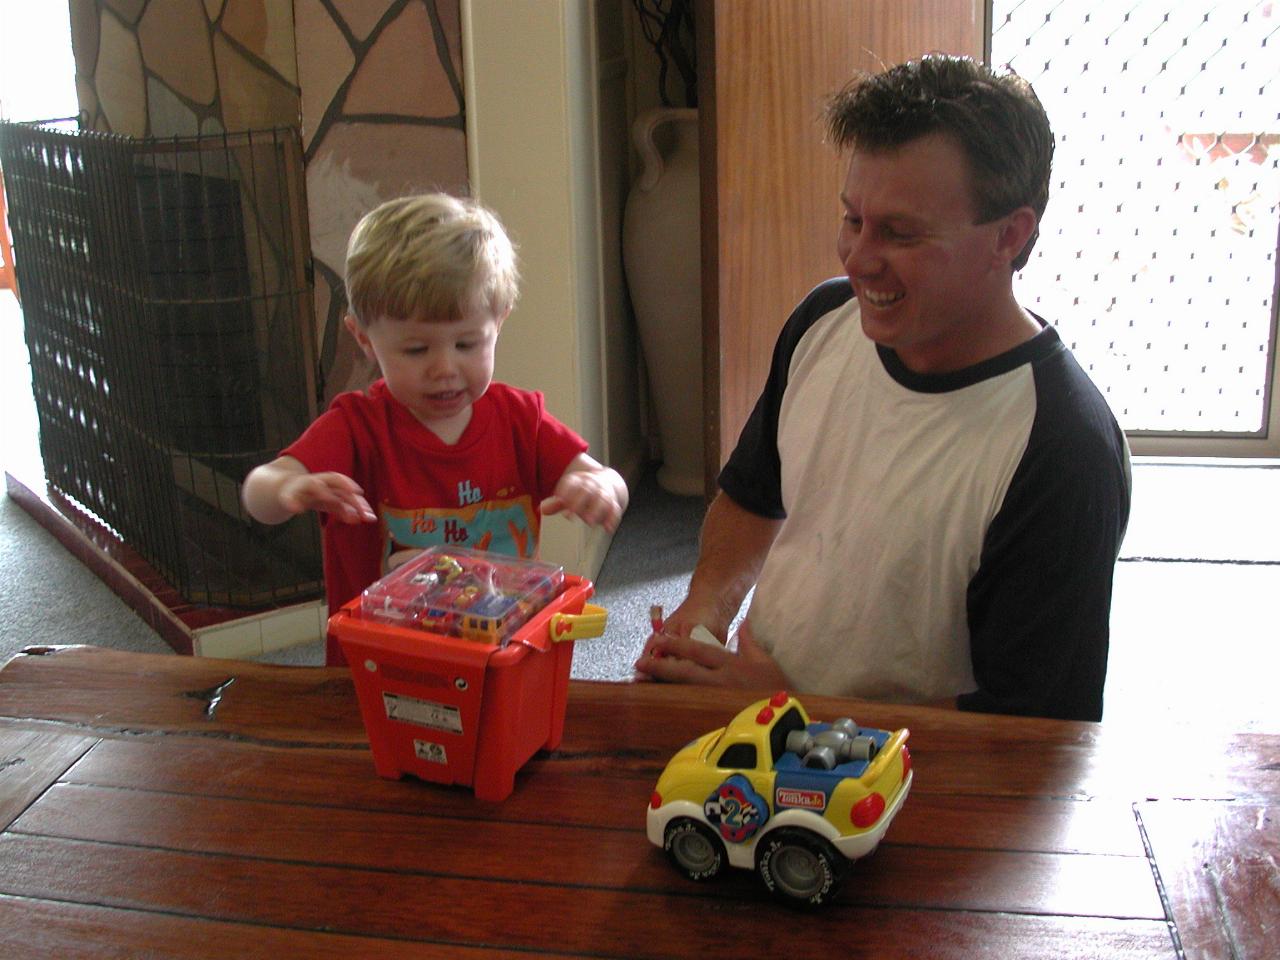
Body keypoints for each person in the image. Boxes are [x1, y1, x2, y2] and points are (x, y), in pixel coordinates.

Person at [635, 55, 1131, 722]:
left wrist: (792, 711)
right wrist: (701, 619)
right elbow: (751, 504)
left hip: (904, 791)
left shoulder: (1063, 449)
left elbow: (1035, 735)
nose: (858, 258)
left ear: (1009, 237)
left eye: (900, 233)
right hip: (755, 714)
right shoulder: (822, 322)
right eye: (852, 219)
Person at [243, 193, 628, 664]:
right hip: (383, 661)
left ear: (499, 323)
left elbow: (605, 477)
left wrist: (598, 485)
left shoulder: (520, 420)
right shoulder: (356, 427)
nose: (444, 368)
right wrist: (289, 488)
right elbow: (259, 493)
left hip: (500, 653)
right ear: (364, 339)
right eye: (416, 350)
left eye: (467, 343)